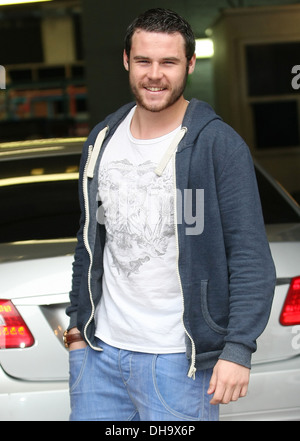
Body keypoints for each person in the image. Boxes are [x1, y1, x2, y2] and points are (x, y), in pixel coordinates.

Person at [65, 8, 276, 421]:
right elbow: (90, 238)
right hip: (100, 355)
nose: (154, 74)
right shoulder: (103, 140)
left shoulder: (217, 145)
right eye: (144, 60)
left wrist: (238, 348)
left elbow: (250, 257)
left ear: (190, 64)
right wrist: (77, 328)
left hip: (179, 363)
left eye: (169, 62)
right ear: (127, 60)